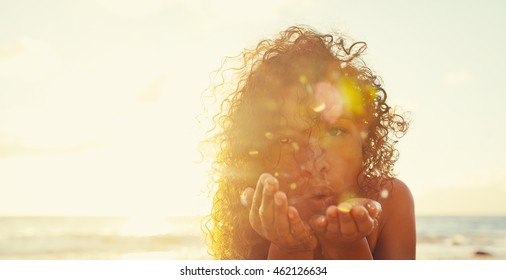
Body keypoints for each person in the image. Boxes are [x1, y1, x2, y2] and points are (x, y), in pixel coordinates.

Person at [202, 25, 415, 259]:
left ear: (363, 141)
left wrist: (347, 247)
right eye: (286, 138)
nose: (315, 163)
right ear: (260, 156)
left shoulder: (389, 201)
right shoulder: (252, 217)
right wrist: (290, 248)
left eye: (335, 132)